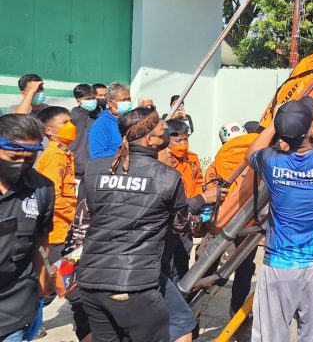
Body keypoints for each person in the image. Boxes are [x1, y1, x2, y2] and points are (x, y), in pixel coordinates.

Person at [77, 108, 221, 342]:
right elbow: (181, 224)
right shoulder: (166, 176)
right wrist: (203, 217)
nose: (166, 128)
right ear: (150, 139)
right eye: (161, 128)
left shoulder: (95, 169)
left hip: (92, 280)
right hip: (135, 283)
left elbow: (81, 225)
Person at [244, 50, 313, 342]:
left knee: (271, 336)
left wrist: (276, 121)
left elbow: (251, 152)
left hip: (279, 266)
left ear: (282, 139)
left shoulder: (272, 162)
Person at [0, 114, 54, 342]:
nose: (21, 165)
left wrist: (43, 280)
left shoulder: (42, 189)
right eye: (13, 157)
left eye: (29, 158)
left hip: (15, 306)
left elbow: (41, 240)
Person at [205, 120, 260, 317]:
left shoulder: (218, 162)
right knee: (245, 268)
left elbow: (208, 190)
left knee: (207, 263)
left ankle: (197, 308)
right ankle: (236, 310)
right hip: (250, 220)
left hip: (223, 220)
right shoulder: (258, 156)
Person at [158, 120, 203, 285]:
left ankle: (180, 294)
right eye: (178, 141)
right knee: (166, 261)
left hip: (189, 215)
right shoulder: (163, 160)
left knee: (183, 257)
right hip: (170, 219)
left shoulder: (192, 159)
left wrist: (198, 202)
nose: (183, 144)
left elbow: (199, 181)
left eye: (186, 140)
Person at [35, 107, 77, 261]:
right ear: (49, 130)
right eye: (64, 123)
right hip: (57, 230)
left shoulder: (64, 153)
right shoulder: (55, 155)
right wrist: (74, 217)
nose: (70, 126)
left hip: (63, 227)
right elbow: (53, 195)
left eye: (70, 121)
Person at [88, 82, 131, 159]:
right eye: (123, 100)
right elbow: (96, 155)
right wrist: (123, 152)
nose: (127, 103)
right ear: (110, 102)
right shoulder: (101, 125)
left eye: (129, 99)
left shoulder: (132, 119)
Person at [69, 84, 101, 180]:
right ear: (78, 101)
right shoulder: (71, 118)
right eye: (87, 99)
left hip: (96, 168)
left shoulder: (101, 117)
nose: (91, 101)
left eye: (93, 98)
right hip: (75, 169)